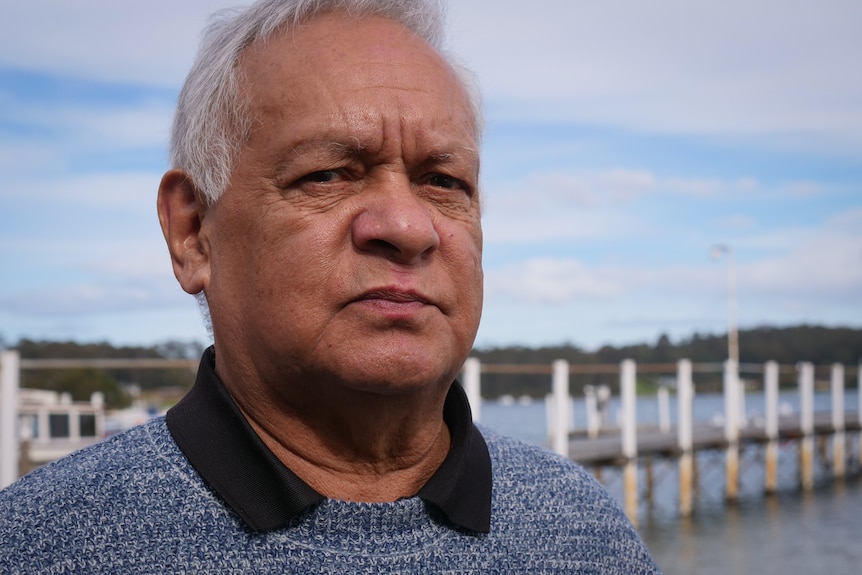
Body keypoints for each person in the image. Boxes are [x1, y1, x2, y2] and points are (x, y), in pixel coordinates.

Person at [0, 0, 661, 572]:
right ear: (193, 232)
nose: (406, 225)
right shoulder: (37, 546)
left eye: (444, 181)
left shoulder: (588, 535)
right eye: (327, 175)